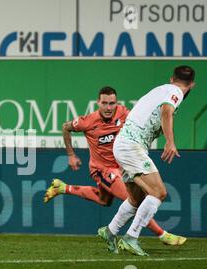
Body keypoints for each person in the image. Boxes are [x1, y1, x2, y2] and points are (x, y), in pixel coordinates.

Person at [43, 86, 186, 247]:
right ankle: (162, 234)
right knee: (134, 200)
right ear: (98, 103)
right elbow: (65, 127)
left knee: (104, 200)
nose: (108, 107)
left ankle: (62, 188)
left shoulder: (124, 113)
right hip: (102, 169)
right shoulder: (88, 121)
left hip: (122, 165)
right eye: (104, 103)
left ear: (117, 103)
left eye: (112, 103)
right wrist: (71, 155)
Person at [98, 66, 195, 256]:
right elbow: (166, 112)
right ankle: (131, 237)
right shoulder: (175, 92)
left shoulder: (160, 89)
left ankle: (110, 231)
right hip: (131, 146)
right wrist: (170, 141)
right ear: (192, 84)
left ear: (171, 78)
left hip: (123, 145)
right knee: (159, 192)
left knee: (135, 199)